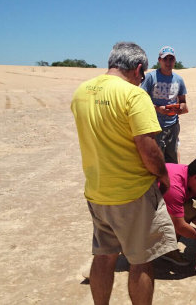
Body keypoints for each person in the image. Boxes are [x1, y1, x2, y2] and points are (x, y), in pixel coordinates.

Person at [71, 41, 178, 305]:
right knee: (142, 262)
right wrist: (164, 178)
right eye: (142, 76)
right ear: (138, 68)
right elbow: (149, 150)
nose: (141, 80)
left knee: (104, 257)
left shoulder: (81, 92)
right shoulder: (134, 95)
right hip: (133, 194)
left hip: (97, 193)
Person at [159, 156, 196, 266]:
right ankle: (160, 248)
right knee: (178, 217)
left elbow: (188, 210)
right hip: (136, 211)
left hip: (151, 201)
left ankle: (166, 248)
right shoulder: (175, 188)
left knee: (185, 207)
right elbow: (180, 227)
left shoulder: (187, 173)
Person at [141, 45, 188, 164]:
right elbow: (141, 102)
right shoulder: (150, 77)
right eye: (165, 59)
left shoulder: (179, 80)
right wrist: (158, 109)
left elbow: (183, 102)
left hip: (173, 126)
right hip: (154, 127)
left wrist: (180, 108)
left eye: (171, 59)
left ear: (175, 61)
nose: (168, 62)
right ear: (159, 60)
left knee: (172, 159)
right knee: (156, 161)